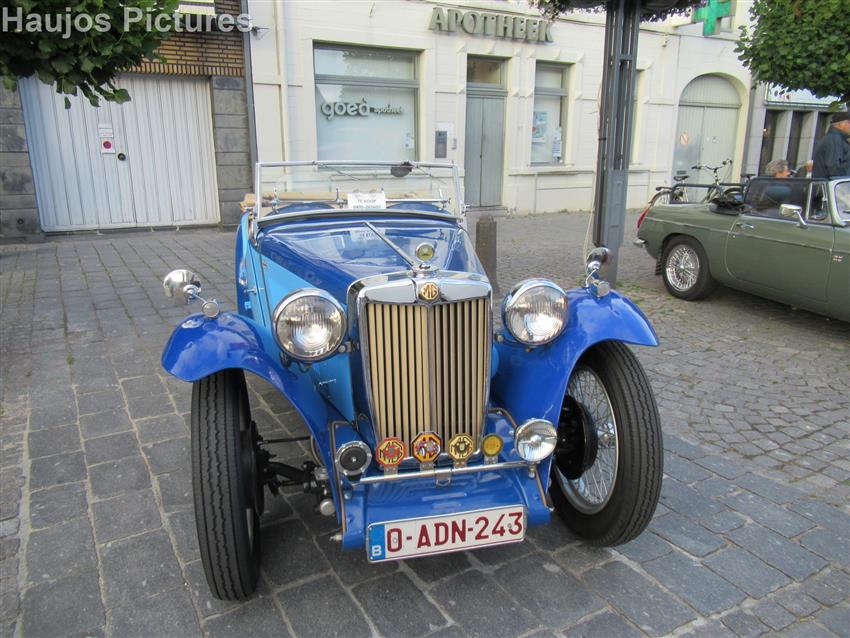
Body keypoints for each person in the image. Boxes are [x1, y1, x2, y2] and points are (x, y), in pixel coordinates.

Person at [812, 112, 850, 179]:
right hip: (834, 184)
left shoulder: (833, 138)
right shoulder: (834, 139)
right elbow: (834, 169)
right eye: (849, 122)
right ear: (840, 124)